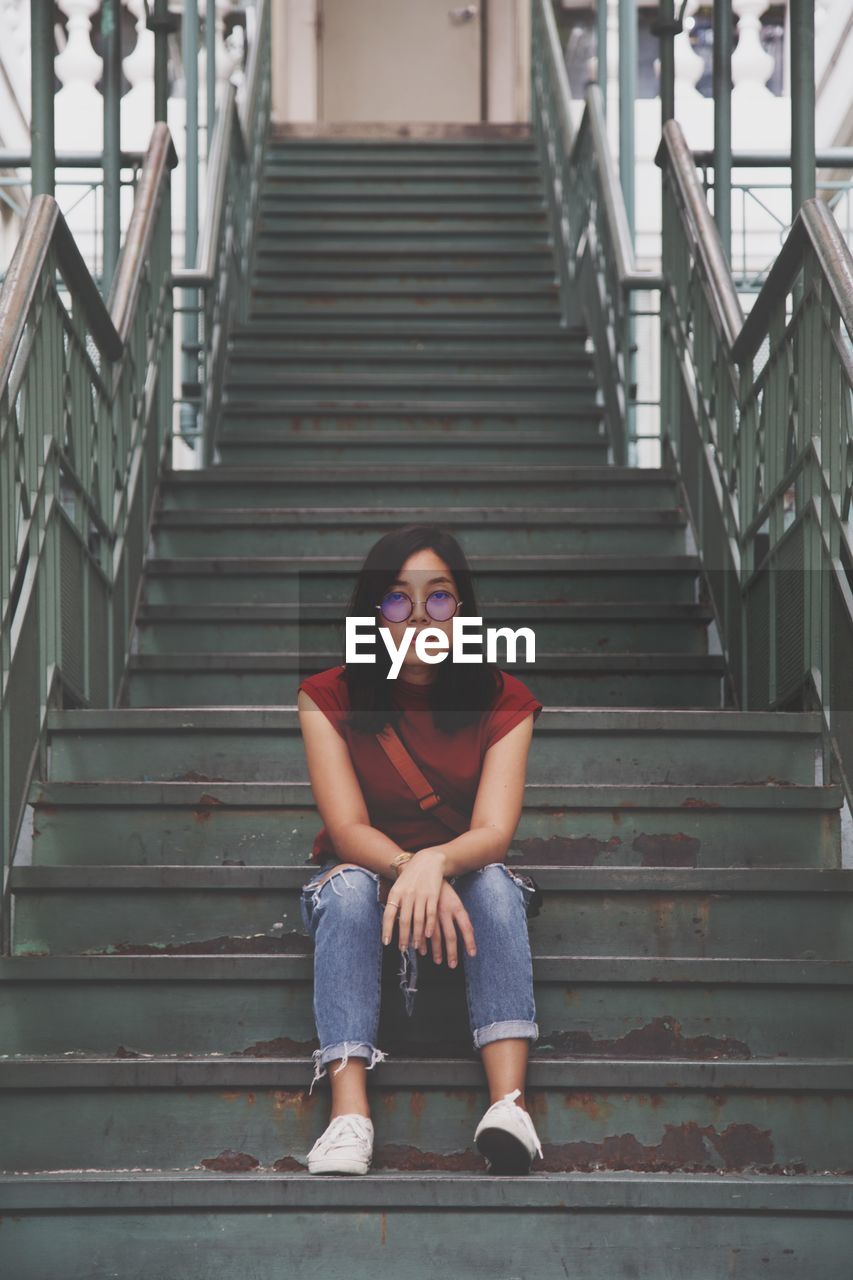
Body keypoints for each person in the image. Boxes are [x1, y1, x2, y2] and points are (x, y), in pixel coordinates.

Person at [296, 524, 544, 1176]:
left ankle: (508, 1107)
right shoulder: (326, 696)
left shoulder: (504, 698)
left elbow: (493, 830)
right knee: (347, 888)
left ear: (461, 611)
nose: (418, 618)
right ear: (372, 613)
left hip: (463, 877)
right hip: (364, 877)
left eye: (438, 598)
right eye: (397, 600)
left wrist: (435, 862)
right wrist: (407, 865)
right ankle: (348, 1115)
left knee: (492, 881)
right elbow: (347, 827)